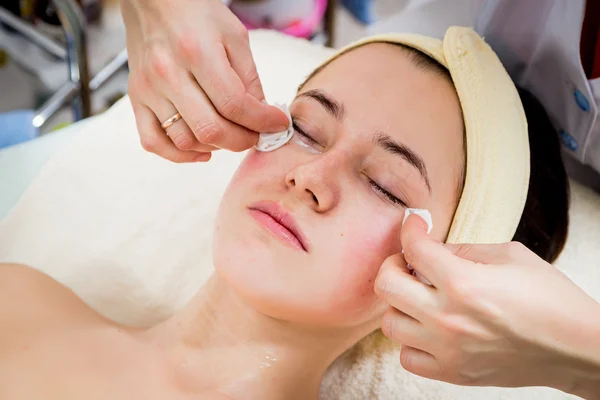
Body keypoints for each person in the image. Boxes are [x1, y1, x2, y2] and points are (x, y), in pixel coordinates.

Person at [2, 28, 597, 398]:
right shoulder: (18, 299)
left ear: (439, 280)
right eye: (306, 130)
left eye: (386, 187)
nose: (309, 178)